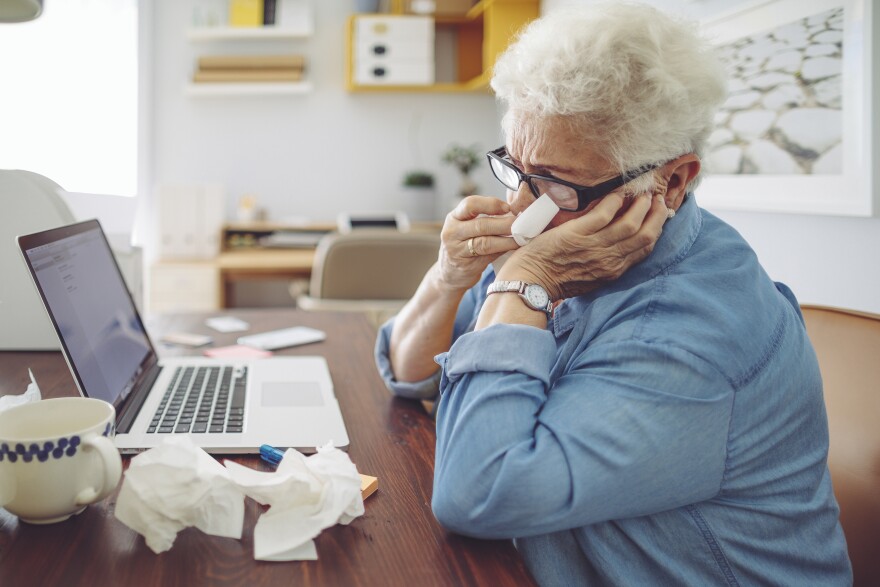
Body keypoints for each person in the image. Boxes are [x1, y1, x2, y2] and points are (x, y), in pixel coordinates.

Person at [374, 2, 851, 585]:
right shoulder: (568, 242)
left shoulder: (691, 335)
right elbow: (413, 369)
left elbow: (477, 495)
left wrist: (525, 283)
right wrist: (450, 274)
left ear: (671, 181)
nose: (522, 208)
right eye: (516, 168)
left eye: (555, 183)